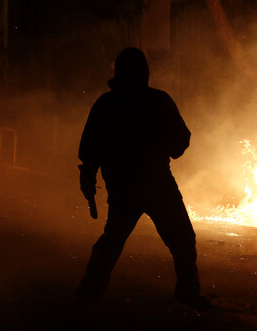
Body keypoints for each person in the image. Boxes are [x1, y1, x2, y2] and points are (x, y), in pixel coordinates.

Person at [77, 47, 211, 311]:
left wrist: (88, 179)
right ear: (144, 73)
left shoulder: (106, 104)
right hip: (156, 184)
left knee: (112, 239)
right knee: (182, 238)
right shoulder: (158, 101)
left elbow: (90, 149)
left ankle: (89, 290)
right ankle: (187, 291)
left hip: (123, 186)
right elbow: (180, 142)